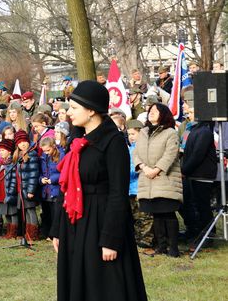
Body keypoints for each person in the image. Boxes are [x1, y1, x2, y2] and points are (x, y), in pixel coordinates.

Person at [50, 80, 147, 301]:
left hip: (100, 221)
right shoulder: (76, 139)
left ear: (92, 110)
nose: (68, 113)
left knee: (104, 286)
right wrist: (57, 228)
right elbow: (65, 185)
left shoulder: (113, 142)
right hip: (74, 221)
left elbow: (117, 194)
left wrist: (111, 239)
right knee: (77, 282)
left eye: (74, 108)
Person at [133, 102, 182, 257]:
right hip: (147, 179)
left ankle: (173, 247)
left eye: (155, 110)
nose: (151, 112)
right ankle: (161, 246)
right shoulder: (143, 132)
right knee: (156, 214)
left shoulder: (170, 133)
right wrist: (143, 167)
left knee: (168, 213)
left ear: (164, 114)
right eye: (150, 110)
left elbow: (170, 154)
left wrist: (156, 169)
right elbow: (136, 153)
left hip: (164, 178)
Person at [180, 90, 217, 250]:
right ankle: (196, 232)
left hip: (202, 174)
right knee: (193, 204)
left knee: (203, 206)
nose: (185, 108)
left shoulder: (204, 131)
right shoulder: (193, 128)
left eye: (187, 105)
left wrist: (184, 170)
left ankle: (208, 235)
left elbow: (197, 155)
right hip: (193, 175)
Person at [126, 120, 154, 253]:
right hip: (130, 189)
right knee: (135, 215)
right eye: (129, 134)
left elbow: (135, 168)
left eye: (133, 134)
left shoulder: (142, 148)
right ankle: (138, 237)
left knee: (144, 215)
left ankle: (146, 239)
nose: (130, 137)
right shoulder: (130, 148)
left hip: (139, 187)